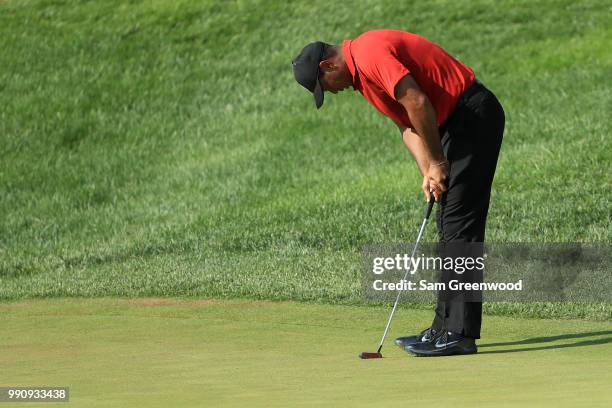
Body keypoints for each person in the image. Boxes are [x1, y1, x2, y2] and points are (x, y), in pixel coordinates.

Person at [292, 29, 505, 356]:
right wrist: (428, 171)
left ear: (328, 66)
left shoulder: (369, 53)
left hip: (471, 115)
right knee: (448, 225)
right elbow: (407, 126)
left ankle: (460, 334)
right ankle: (443, 328)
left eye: (325, 87)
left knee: (460, 225)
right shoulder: (363, 79)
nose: (331, 93)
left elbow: (418, 102)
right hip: (448, 125)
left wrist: (437, 160)